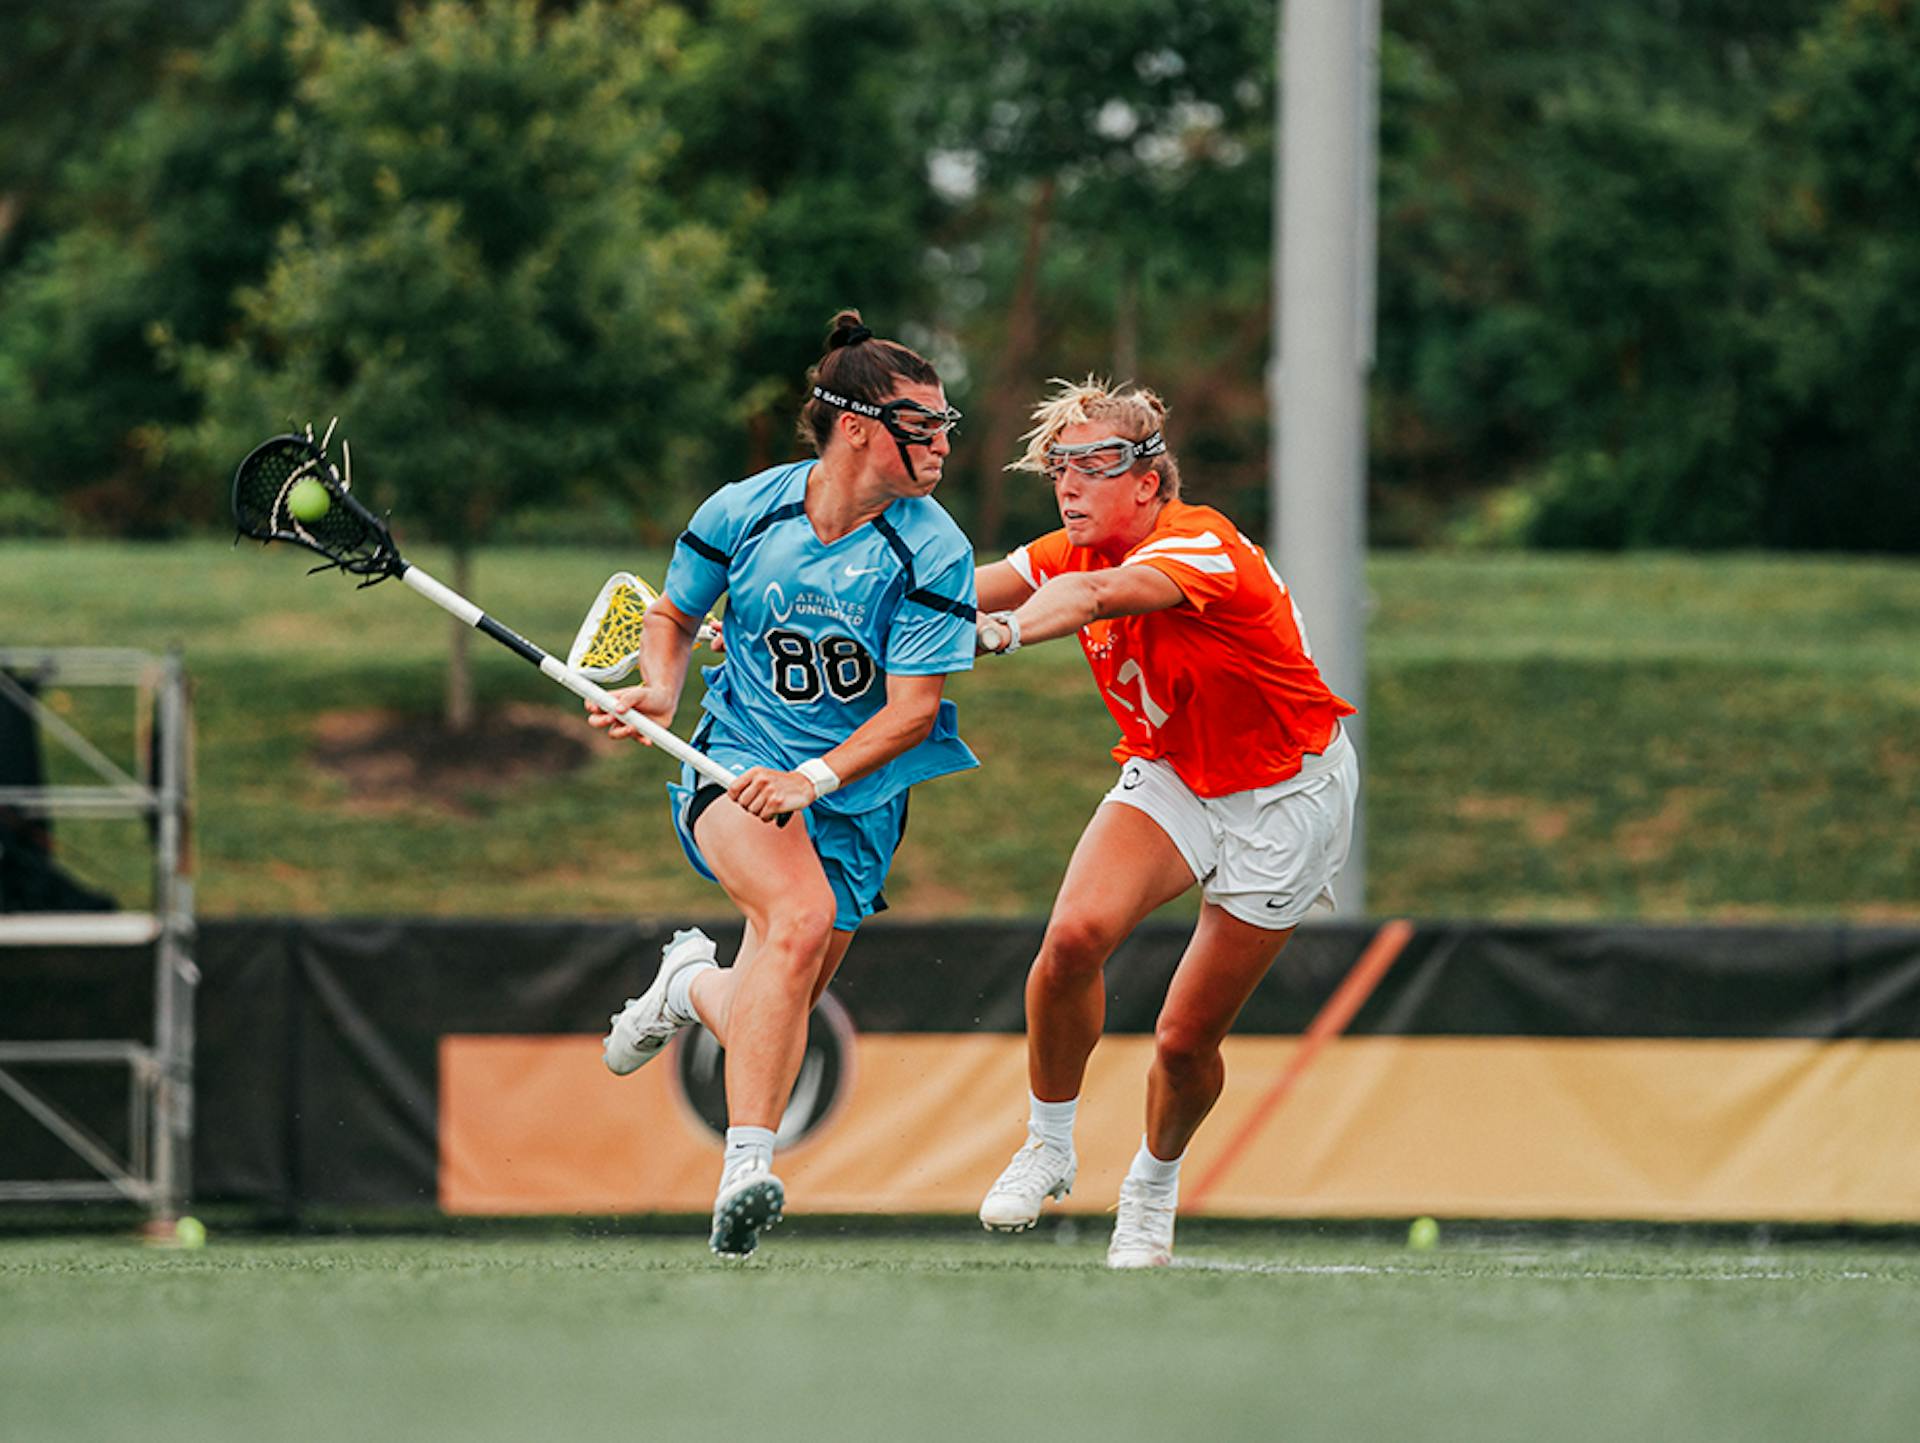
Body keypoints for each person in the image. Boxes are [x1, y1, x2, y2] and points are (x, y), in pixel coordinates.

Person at [586, 310, 978, 1260]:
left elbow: (912, 712)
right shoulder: (741, 510)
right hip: (730, 766)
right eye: (919, 425)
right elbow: (675, 615)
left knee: (780, 990)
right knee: (795, 922)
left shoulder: (934, 551)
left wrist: (812, 779)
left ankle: (687, 984)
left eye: (941, 424)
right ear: (855, 427)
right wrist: (663, 691)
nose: (939, 443)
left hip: (856, 798)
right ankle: (745, 1174)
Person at [971, 377, 1358, 1268]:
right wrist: (779, 615)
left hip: (1285, 797)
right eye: (1058, 467)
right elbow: (952, 588)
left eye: (1095, 465)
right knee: (1072, 938)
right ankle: (1049, 1142)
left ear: (1147, 480)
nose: (1069, 485)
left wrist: (1000, 635)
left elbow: (1098, 600)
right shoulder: (1069, 550)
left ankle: (1150, 1185)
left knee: (1185, 1043)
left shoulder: (1200, 545)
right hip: (1177, 773)